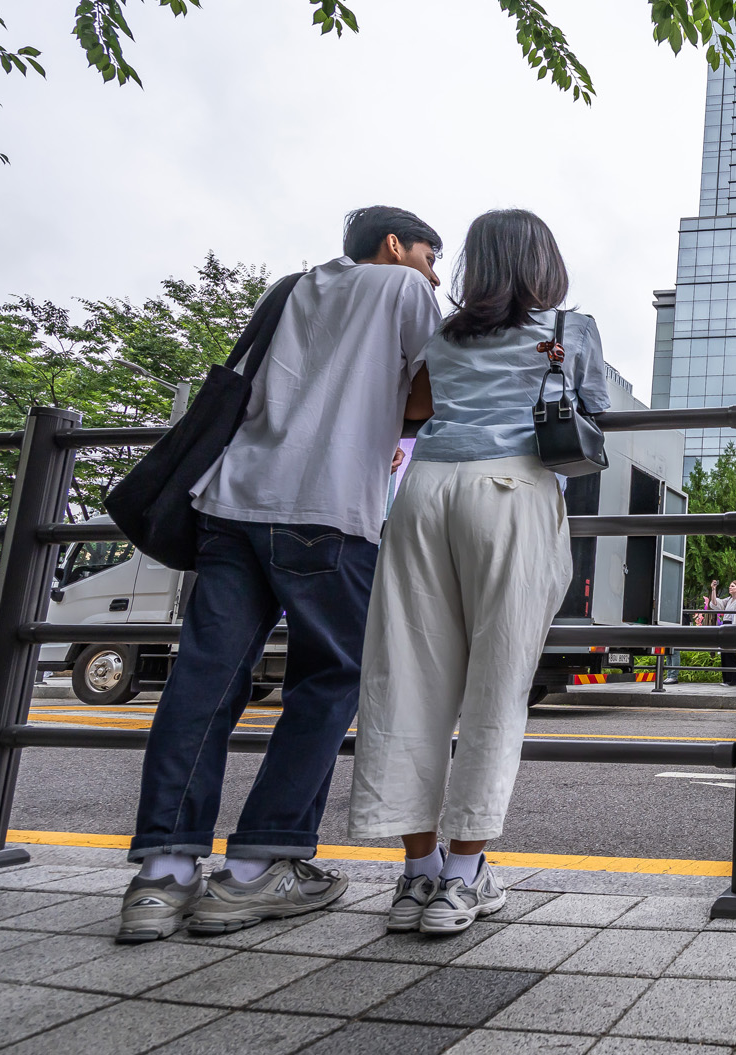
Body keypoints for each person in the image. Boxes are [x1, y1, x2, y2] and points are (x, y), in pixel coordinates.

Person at [118, 206, 444, 944]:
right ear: (396, 246)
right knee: (329, 680)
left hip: (231, 502)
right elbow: (436, 390)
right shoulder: (403, 292)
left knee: (203, 682)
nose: (434, 272)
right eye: (431, 255)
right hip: (327, 509)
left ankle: (161, 876)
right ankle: (262, 862)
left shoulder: (293, 286)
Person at [348, 209, 609, 934]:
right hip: (513, 493)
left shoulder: (442, 332)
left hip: (425, 493)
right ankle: (464, 877)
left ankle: (416, 875)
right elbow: (594, 412)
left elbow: (414, 408)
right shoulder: (568, 327)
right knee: (497, 685)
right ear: (541, 262)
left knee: (405, 678)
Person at [716, 579, 736, 687]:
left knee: (732, 654)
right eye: (730, 586)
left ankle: (733, 679)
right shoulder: (729, 599)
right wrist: (714, 589)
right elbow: (716, 604)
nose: (730, 588)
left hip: (733, 625)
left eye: (732, 586)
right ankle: (726, 679)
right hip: (726, 625)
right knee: (725, 653)